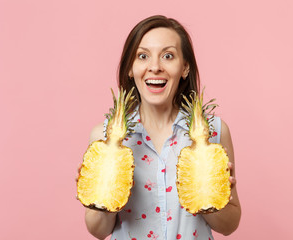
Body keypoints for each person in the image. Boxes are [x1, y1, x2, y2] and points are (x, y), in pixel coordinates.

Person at [81, 15, 241, 240]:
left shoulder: (214, 130)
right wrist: (104, 193)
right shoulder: (102, 136)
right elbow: (98, 231)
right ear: (130, 68)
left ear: (184, 68)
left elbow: (229, 225)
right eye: (143, 56)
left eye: (168, 56)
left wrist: (210, 194)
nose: (155, 67)